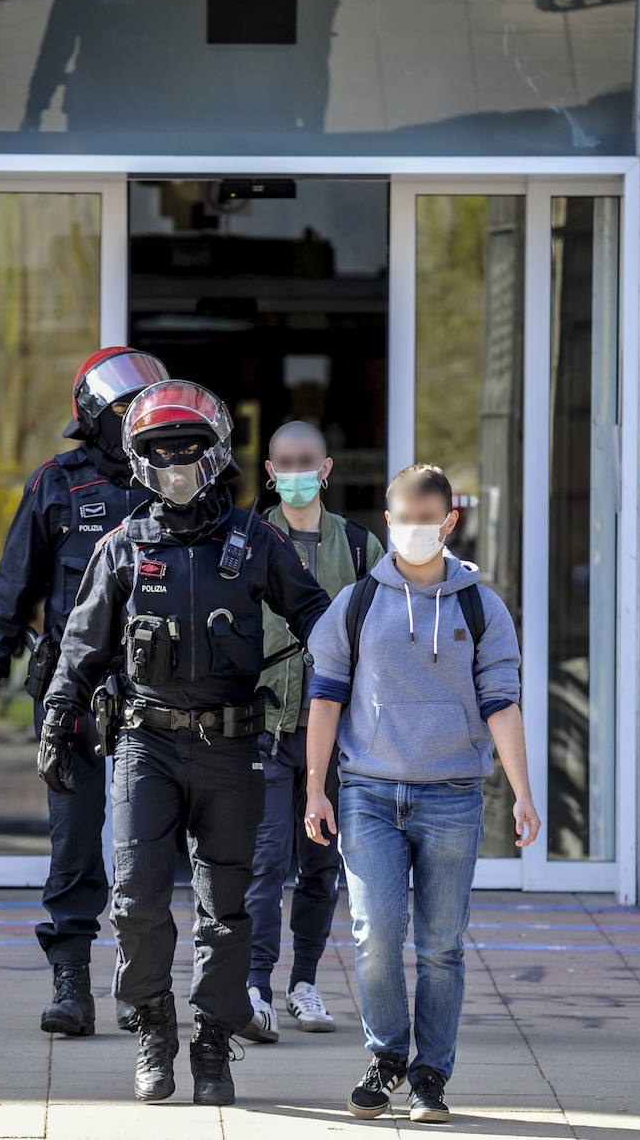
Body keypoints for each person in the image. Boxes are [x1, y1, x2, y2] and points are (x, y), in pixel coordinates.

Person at [37, 381, 331, 1107]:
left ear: (216, 453)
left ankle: (212, 1045)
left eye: (188, 447)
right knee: (136, 900)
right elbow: (81, 646)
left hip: (232, 747)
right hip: (146, 745)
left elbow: (318, 615)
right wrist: (55, 719)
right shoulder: (121, 547)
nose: (175, 461)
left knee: (224, 907)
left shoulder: (254, 541)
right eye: (160, 450)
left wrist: (356, 677)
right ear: (139, 460)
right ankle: (153, 1032)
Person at [304, 463, 541, 1124]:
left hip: (452, 798)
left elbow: (503, 703)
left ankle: (431, 1074)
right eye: (402, 519)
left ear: (449, 522)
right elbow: (325, 699)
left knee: (441, 945)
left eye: (425, 519)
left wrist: (523, 794)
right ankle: (386, 1059)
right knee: (375, 933)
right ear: (388, 521)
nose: (413, 530)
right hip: (369, 795)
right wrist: (314, 789)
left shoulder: (480, 606)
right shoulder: (355, 604)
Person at [0, 346, 169, 1037]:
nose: (136, 421)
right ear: (93, 415)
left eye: (143, 408)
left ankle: (143, 990)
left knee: (148, 847)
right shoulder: (54, 485)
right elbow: (13, 588)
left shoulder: (175, 481)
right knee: (75, 842)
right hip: (72, 695)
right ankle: (72, 986)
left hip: (156, 692)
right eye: (123, 410)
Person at [239, 420, 384, 1043]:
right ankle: (254, 983)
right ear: (269, 472)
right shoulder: (243, 540)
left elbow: (383, 635)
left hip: (335, 734)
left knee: (322, 865)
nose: (296, 472)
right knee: (266, 861)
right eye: (284, 463)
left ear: (326, 469)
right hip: (264, 725)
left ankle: (304, 984)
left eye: (308, 462)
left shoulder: (358, 547)